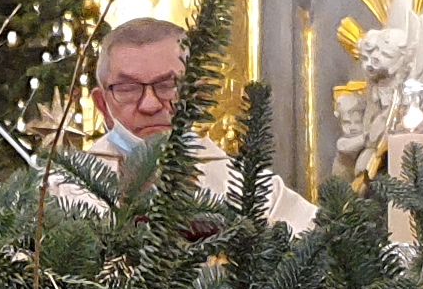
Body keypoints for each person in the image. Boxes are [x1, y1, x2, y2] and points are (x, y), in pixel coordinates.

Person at [81, 16, 317, 231]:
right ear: (102, 104)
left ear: (197, 94)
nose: (150, 105)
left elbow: (319, 248)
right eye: (127, 88)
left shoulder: (256, 191)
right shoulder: (64, 188)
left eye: (169, 85)